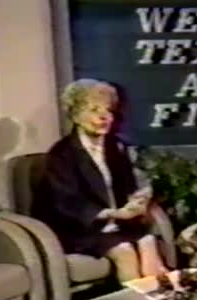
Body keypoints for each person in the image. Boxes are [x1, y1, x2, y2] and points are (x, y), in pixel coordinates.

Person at [32, 79, 167, 283]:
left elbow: (128, 186)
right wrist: (111, 213)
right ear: (76, 115)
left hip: (117, 225)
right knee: (125, 252)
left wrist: (137, 201)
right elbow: (66, 203)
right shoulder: (61, 154)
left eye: (108, 110)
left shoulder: (115, 147)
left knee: (148, 242)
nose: (105, 117)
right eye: (94, 110)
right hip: (78, 229)